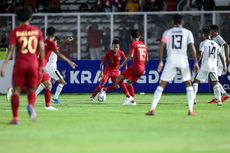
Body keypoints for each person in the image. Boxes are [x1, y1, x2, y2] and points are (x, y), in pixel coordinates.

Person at [146, 14, 199, 116]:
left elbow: (161, 45)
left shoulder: (167, 33)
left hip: (171, 60)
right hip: (183, 60)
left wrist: (161, 61)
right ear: (182, 22)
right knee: (188, 84)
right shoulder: (187, 32)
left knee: (162, 84)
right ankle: (190, 110)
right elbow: (192, 47)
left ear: (172, 22)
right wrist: (196, 61)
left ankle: (152, 109)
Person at [0, 7, 45, 125]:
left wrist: (4, 65)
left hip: (20, 62)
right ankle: (30, 105)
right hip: (33, 63)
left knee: (16, 90)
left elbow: (10, 49)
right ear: (30, 17)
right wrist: (42, 65)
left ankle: (15, 118)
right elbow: (42, 48)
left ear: (18, 18)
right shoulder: (37, 31)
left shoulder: (16, 31)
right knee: (32, 89)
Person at [103, 29, 148, 106]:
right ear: (139, 37)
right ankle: (132, 101)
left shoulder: (133, 44)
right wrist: (143, 67)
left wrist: (123, 64)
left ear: (131, 37)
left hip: (136, 67)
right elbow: (147, 59)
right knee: (128, 83)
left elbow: (131, 56)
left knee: (118, 78)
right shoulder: (144, 46)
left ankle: (127, 97)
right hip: (142, 68)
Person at [35, 27, 77, 104]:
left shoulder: (46, 44)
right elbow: (58, 47)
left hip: (47, 67)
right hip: (52, 68)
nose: (57, 43)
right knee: (62, 82)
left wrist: (66, 40)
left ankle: (35, 94)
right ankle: (55, 98)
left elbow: (58, 45)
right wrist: (69, 61)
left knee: (45, 83)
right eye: (56, 41)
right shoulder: (52, 46)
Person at [193, 27, 226, 106]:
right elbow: (221, 55)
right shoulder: (215, 44)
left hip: (205, 64)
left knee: (196, 81)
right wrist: (224, 66)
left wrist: (196, 63)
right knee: (215, 82)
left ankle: (193, 99)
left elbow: (200, 54)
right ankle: (219, 100)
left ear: (204, 35)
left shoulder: (203, 43)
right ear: (210, 34)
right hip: (214, 66)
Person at [208, 25, 230, 103]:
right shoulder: (212, 38)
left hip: (219, 62)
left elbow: (226, 45)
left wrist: (227, 57)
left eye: (210, 30)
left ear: (214, 31)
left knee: (214, 79)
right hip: (215, 61)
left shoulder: (218, 38)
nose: (209, 32)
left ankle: (220, 96)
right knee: (214, 79)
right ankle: (222, 94)